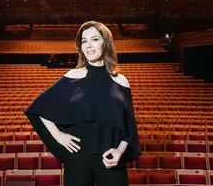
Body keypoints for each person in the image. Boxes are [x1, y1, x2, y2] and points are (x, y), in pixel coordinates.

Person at [24, 21, 141, 186]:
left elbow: (129, 128)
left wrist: (119, 151)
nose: (88, 46)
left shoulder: (121, 81)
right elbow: (38, 109)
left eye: (94, 39)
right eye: (84, 41)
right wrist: (58, 135)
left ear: (105, 42)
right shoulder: (73, 75)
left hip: (111, 158)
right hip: (78, 158)